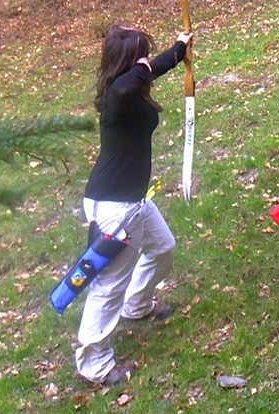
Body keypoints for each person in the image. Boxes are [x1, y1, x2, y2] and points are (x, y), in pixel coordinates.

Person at [74, 25, 193, 386]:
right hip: (115, 206)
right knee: (108, 284)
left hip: (131, 200)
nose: (146, 61)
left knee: (162, 248)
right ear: (128, 62)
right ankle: (93, 364)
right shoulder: (120, 92)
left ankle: (137, 306)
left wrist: (179, 49)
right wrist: (145, 67)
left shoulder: (127, 83)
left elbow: (152, 68)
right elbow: (137, 78)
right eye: (140, 54)